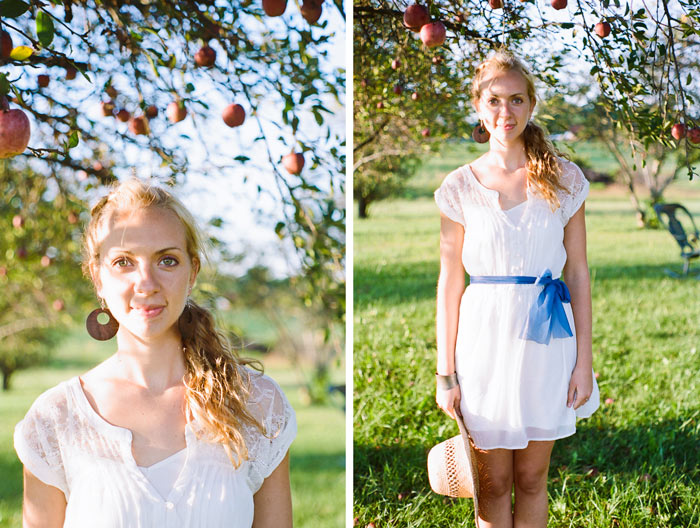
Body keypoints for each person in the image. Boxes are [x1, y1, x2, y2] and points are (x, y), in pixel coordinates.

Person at [14, 179, 296, 528]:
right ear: (97, 277)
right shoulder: (54, 420)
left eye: (166, 260)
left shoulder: (257, 405)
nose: (146, 283)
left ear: (192, 272)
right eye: (123, 262)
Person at [434, 50, 600, 527]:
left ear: (531, 106)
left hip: (548, 342)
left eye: (516, 100)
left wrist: (583, 362)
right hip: (482, 343)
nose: (505, 112)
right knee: (491, 484)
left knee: (530, 479)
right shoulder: (459, 187)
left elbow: (579, 273)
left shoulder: (565, 179)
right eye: (494, 100)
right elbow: (449, 283)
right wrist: (446, 373)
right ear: (478, 106)